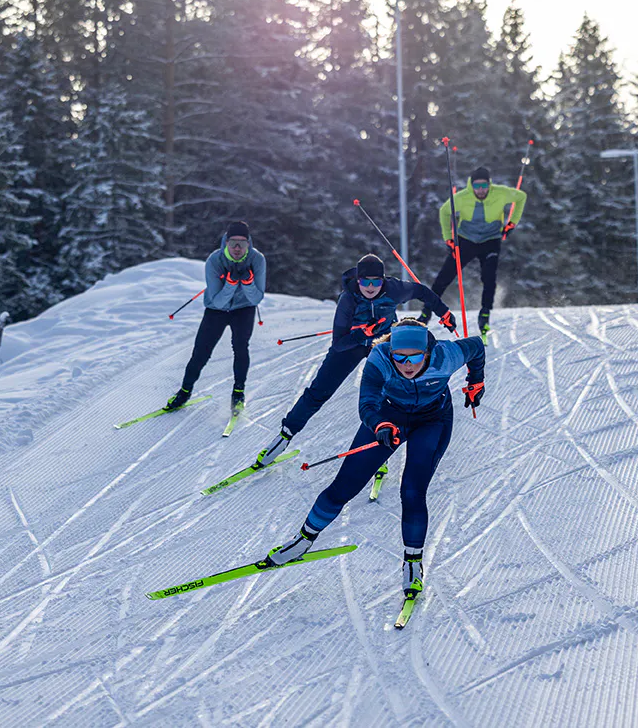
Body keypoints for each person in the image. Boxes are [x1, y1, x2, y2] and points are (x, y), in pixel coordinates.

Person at [263, 318, 485, 598]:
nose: (407, 364)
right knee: (343, 486)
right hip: (389, 416)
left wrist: (476, 380)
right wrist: (379, 424)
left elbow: (477, 346)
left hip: (433, 420)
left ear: (428, 352)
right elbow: (367, 402)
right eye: (399, 356)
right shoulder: (379, 359)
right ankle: (302, 541)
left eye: (415, 356)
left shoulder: (446, 355)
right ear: (390, 350)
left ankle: (413, 564)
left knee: (413, 491)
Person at [255, 254, 457, 465]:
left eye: (376, 281)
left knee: (392, 392)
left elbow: (422, 291)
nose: (370, 287)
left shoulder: (394, 289)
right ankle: (285, 434)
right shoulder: (348, 299)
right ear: (358, 280)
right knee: (319, 391)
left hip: (383, 344)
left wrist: (443, 312)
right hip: (351, 344)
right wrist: (362, 333)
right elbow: (338, 343)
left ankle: (382, 445)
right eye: (365, 281)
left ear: (383, 280)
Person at [165, 221, 266, 414]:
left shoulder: (257, 260)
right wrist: (230, 283)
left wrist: (247, 282)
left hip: (243, 308)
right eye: (233, 243)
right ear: (226, 242)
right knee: (201, 352)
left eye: (242, 244)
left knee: (240, 347)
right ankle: (184, 392)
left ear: (249, 244)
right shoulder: (215, 260)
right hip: (215, 310)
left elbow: (257, 298)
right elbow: (218, 302)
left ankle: (238, 392)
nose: (237, 248)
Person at [423, 166, 526, 337]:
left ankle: (485, 312)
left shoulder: (500, 193)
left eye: (484, 186)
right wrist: (448, 237)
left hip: (491, 240)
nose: (480, 190)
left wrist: (512, 223)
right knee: (446, 275)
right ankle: (426, 310)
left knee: (489, 276)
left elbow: (521, 197)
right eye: (477, 186)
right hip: (466, 240)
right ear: (471, 185)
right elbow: (444, 211)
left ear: (489, 185)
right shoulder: (462, 197)